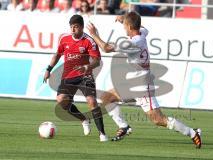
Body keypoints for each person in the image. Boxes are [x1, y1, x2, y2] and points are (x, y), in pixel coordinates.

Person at [87, 11, 202, 148]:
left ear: (129, 27)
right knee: (107, 98)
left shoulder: (131, 44)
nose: (124, 29)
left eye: (125, 26)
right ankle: (124, 126)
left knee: (158, 120)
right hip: (131, 86)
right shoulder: (142, 33)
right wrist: (124, 19)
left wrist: (94, 34)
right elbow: (140, 26)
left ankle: (192, 132)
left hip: (142, 88)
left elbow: (105, 48)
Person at [43, 14, 108, 142]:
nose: (73, 29)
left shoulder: (89, 41)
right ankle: (83, 119)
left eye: (76, 27)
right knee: (61, 100)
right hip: (68, 75)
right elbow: (57, 55)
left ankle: (102, 133)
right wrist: (48, 70)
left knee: (92, 102)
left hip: (85, 76)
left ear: (82, 27)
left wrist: (87, 67)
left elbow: (97, 61)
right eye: (71, 27)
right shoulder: (65, 39)